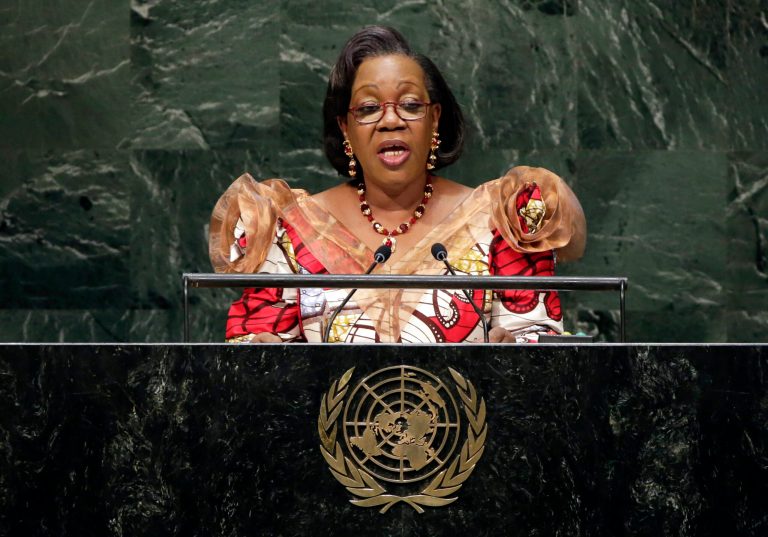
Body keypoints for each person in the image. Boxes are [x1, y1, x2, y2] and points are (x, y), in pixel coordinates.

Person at [208, 26, 586, 344]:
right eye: (369, 108)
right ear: (345, 128)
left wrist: (515, 354)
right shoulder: (292, 231)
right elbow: (255, 368)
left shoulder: (498, 223)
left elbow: (539, 365)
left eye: (409, 104)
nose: (391, 120)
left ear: (434, 119)